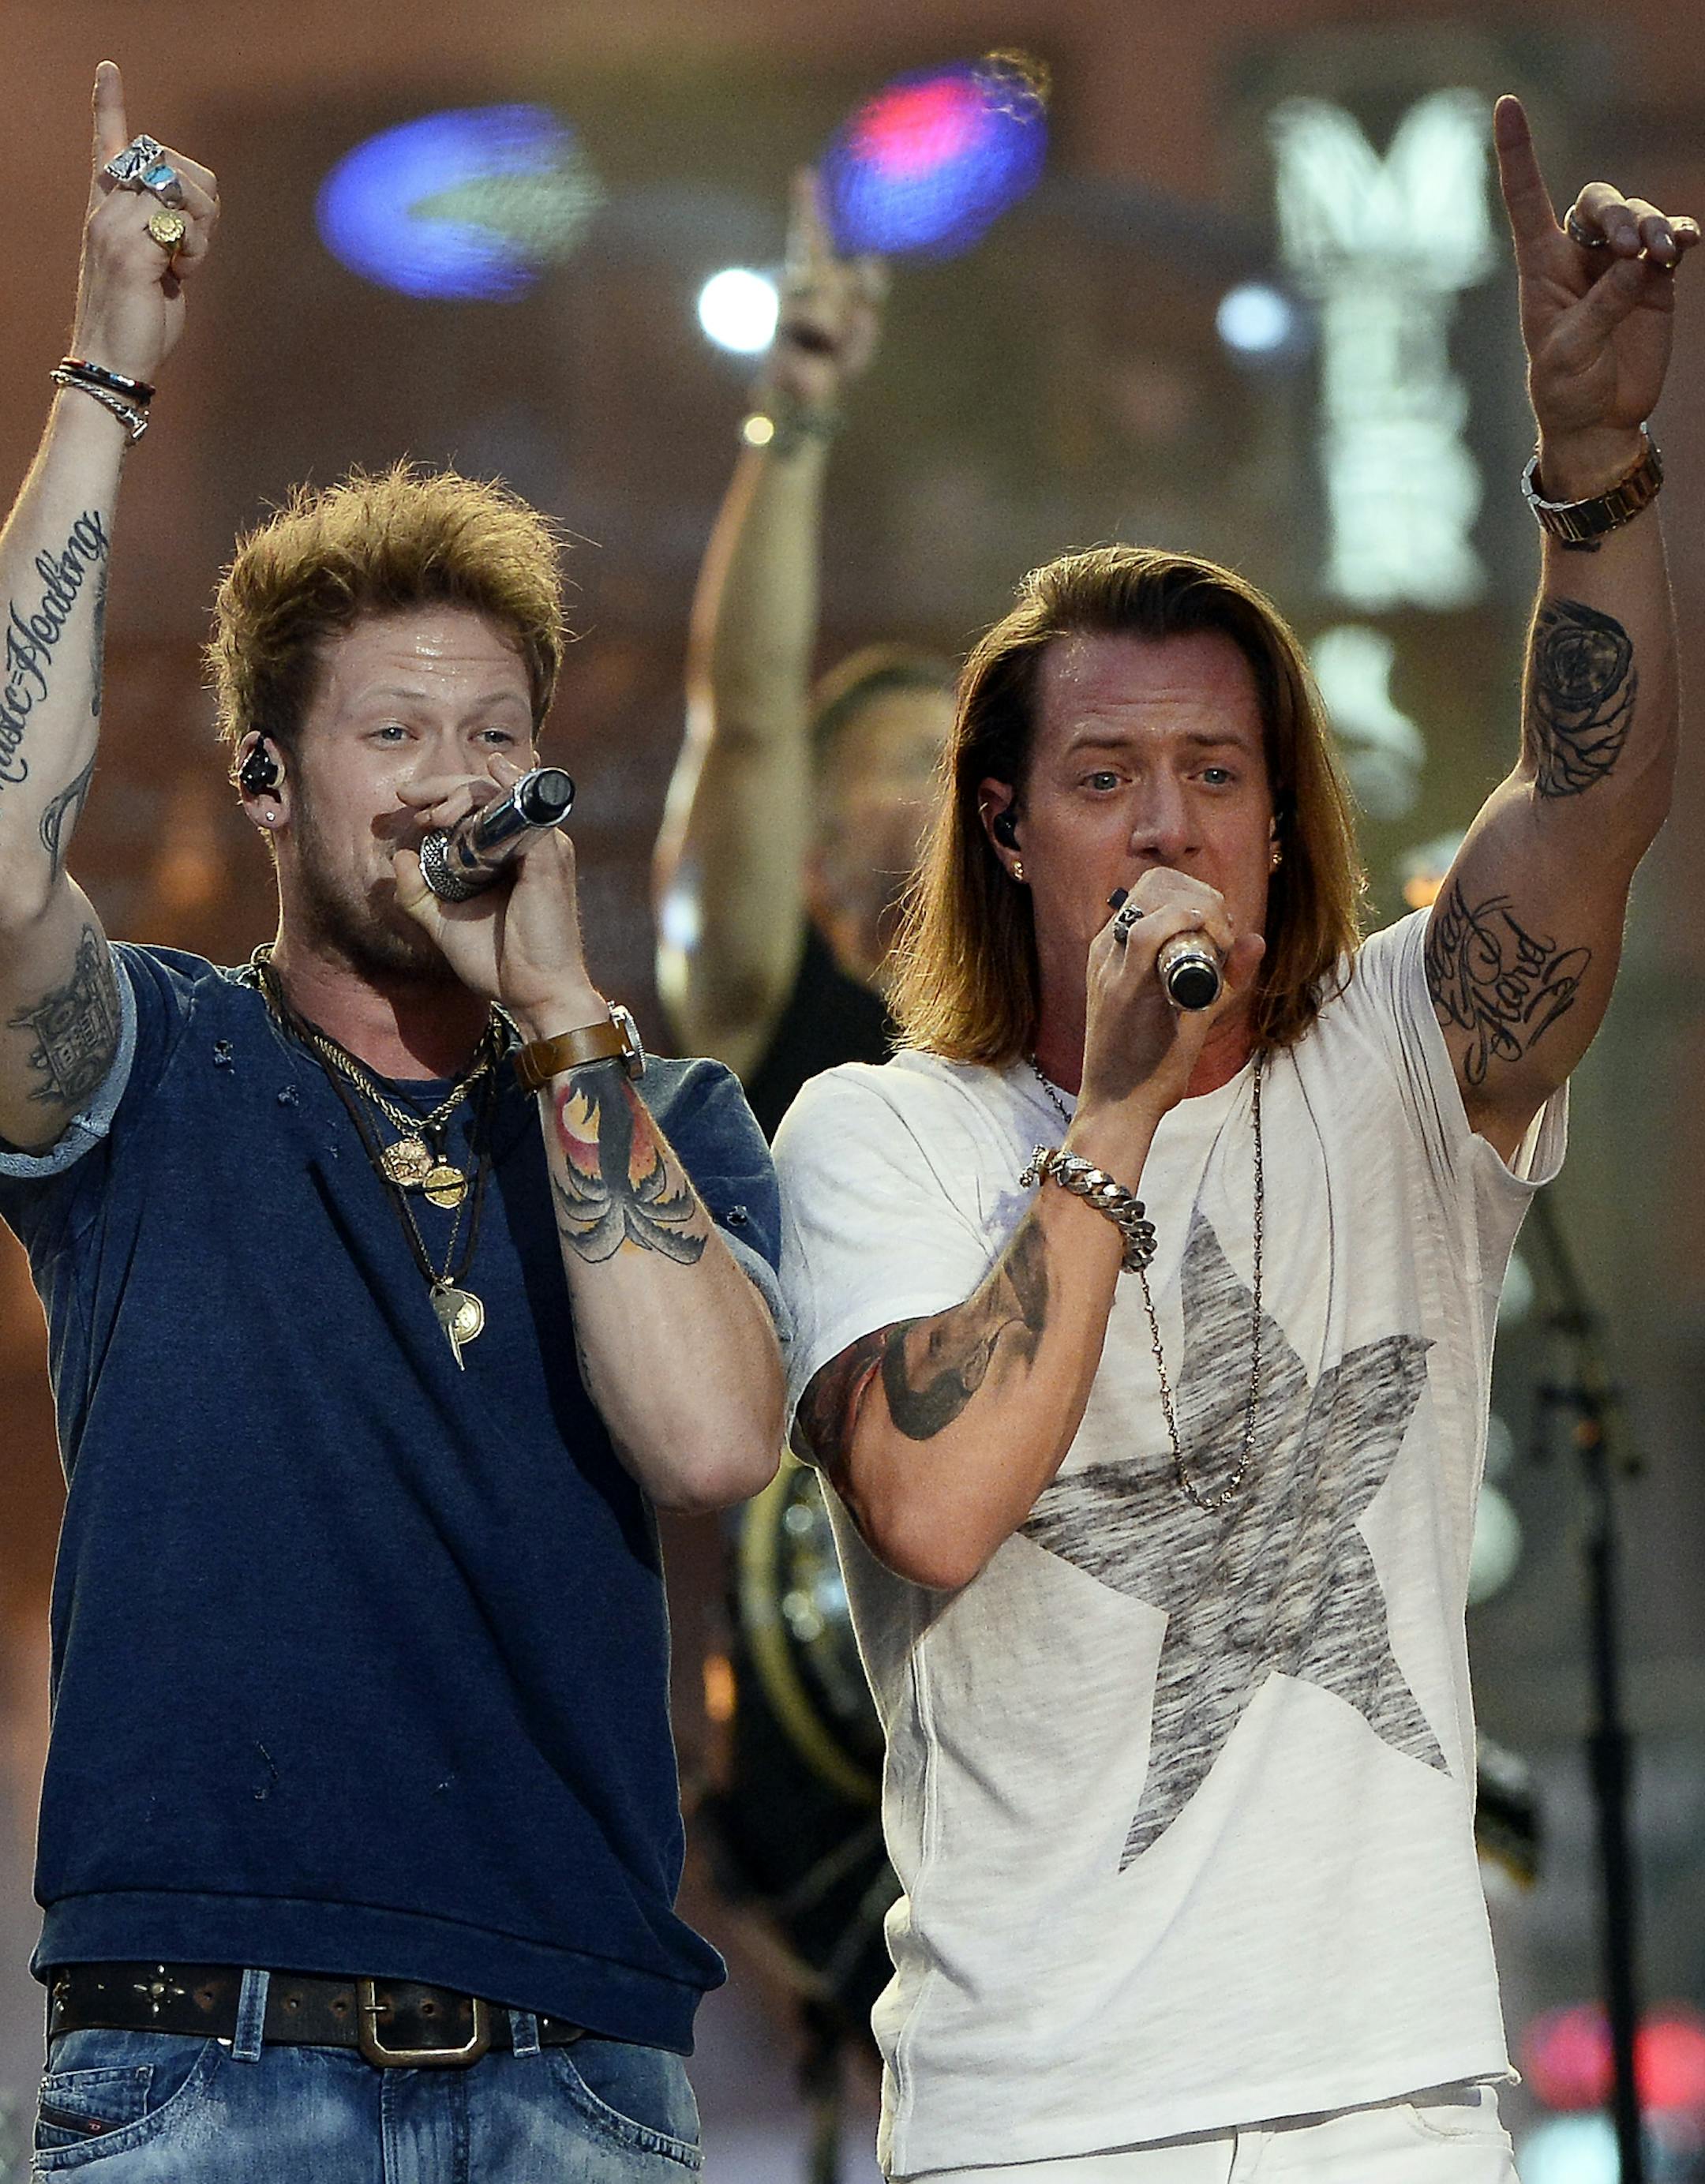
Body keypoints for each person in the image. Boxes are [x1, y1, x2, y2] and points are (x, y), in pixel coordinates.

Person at [775, 99, 1693, 2182]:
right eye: (1106, 775)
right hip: (1040, 2121)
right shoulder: (878, 1133)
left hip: (1389, 2101)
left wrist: (1594, 468)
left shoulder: (1396, 1052)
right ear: (1008, 824)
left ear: (1283, 821)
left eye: (1215, 770)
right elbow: (932, 1502)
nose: (1168, 821)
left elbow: (1594, 805)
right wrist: (1116, 1102)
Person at [0, 66, 784, 2178]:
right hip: (202, 2066)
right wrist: (104, 374)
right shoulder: (156, 1065)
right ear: (265, 780)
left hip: (574, 2066)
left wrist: (560, 1019)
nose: (451, 778)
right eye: (394, 730)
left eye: (494, 731)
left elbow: (713, 1441)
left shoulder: (660, 1110)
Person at [653, 170, 957, 1137]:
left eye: (969, 759)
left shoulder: (1049, 1023)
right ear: (812, 843)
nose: (963, 786)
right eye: (920, 762)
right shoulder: (760, 988)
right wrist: (795, 409)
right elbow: (750, 715)